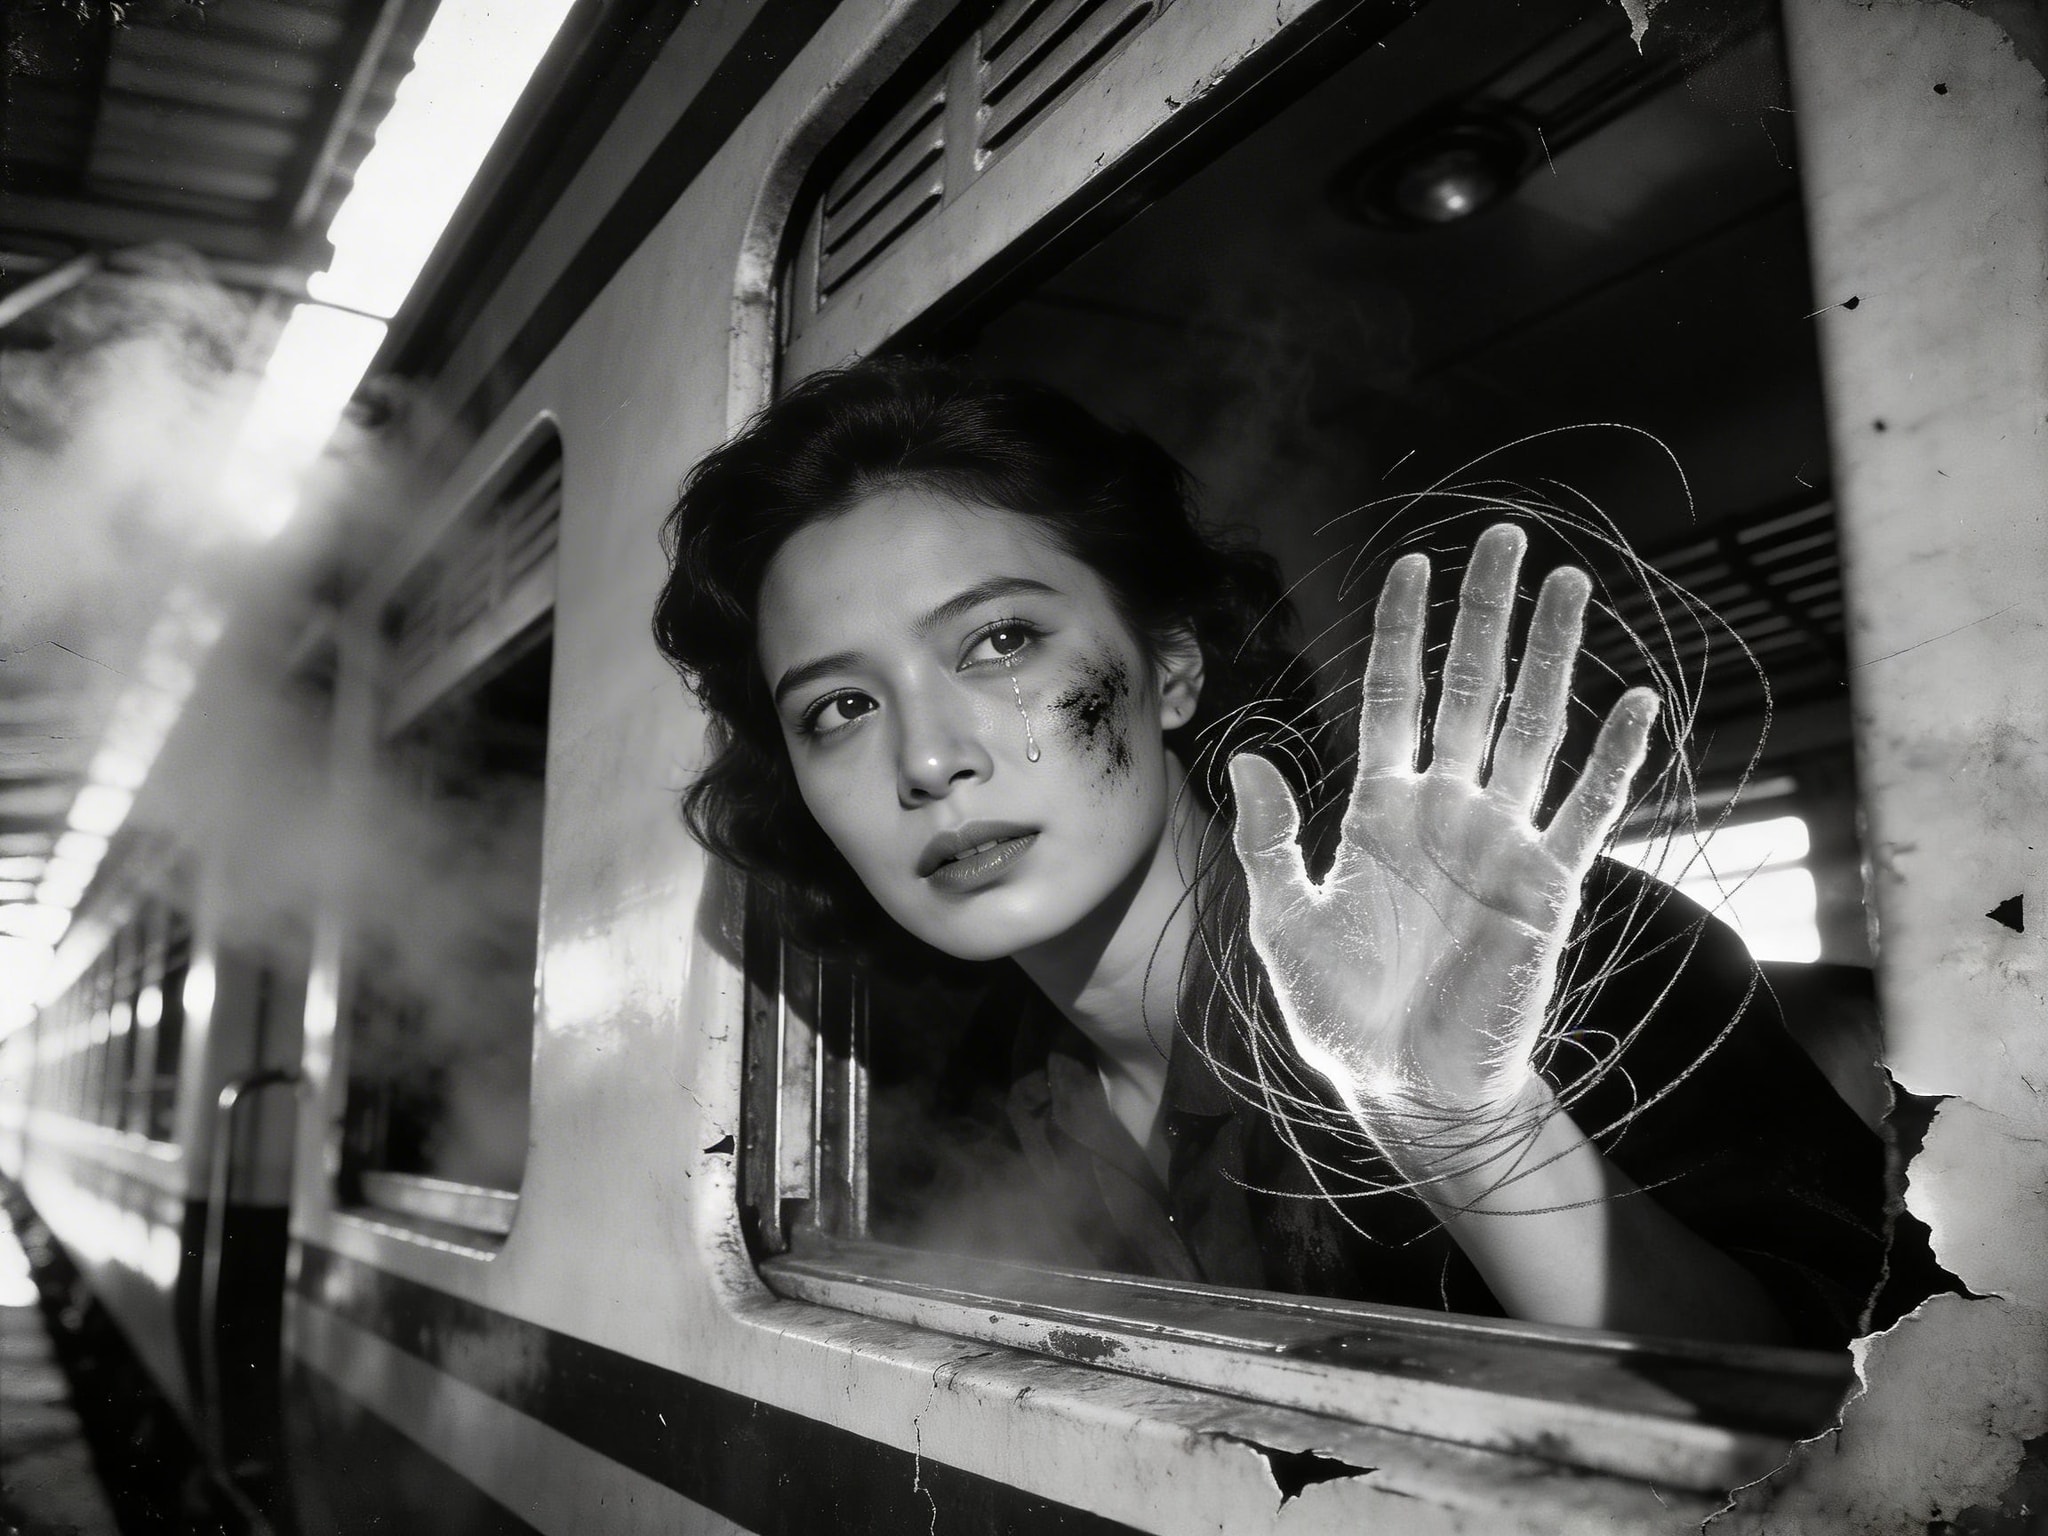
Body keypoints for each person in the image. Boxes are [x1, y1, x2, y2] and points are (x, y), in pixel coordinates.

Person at [652, 357, 1904, 1349]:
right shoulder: (960, 1105)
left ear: (1171, 669)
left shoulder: (1545, 957)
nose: (927, 759)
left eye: (998, 643)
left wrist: (1467, 1126)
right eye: (838, 709)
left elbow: (1847, 1404)